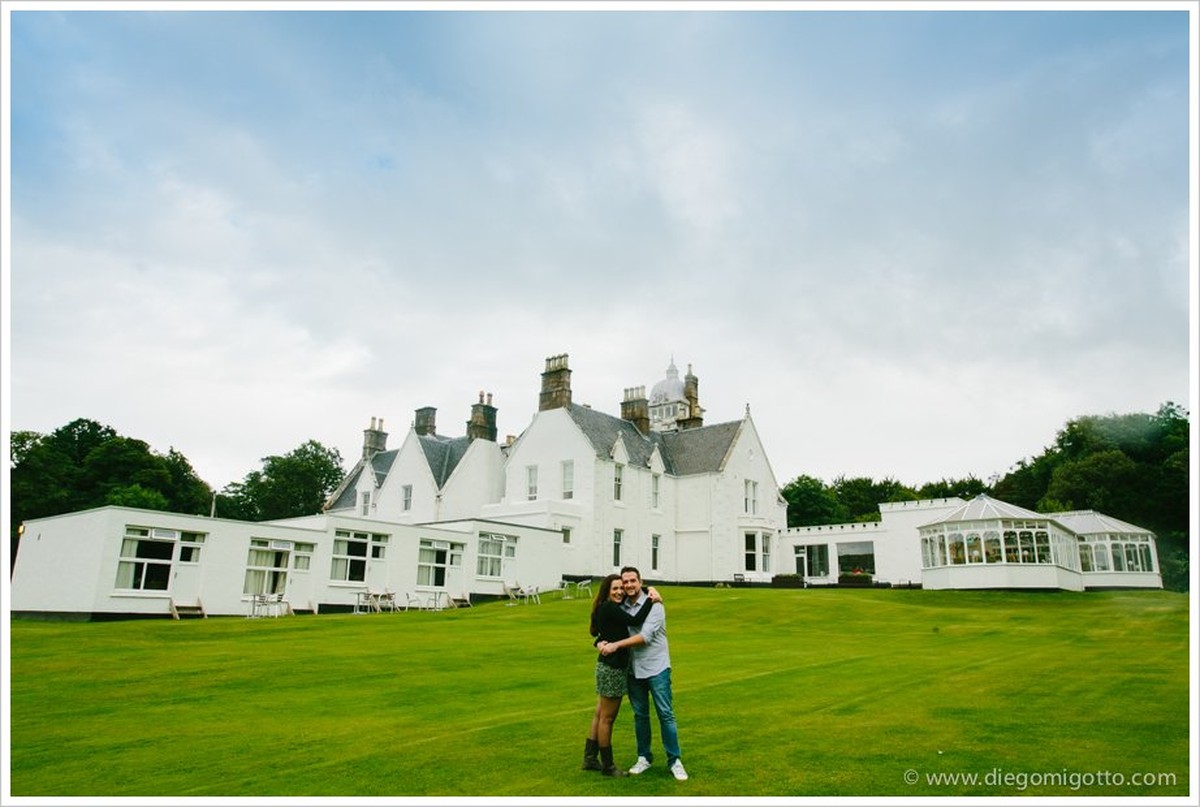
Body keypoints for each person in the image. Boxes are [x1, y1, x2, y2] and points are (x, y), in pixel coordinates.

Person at [599, 566, 688, 781]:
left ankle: (674, 760)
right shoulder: (622, 606)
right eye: (625, 582)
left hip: (657, 667)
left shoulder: (655, 604)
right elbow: (611, 627)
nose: (628, 585)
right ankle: (644, 757)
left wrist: (615, 646)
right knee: (640, 716)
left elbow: (644, 637)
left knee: (665, 714)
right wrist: (600, 642)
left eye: (633, 581)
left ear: (641, 582)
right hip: (634, 669)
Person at [582, 574, 660, 777]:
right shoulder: (610, 607)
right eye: (614, 589)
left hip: (606, 666)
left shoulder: (606, 607)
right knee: (607, 718)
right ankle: (608, 766)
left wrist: (647, 587)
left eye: (621, 589)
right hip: (613, 669)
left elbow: (601, 635)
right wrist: (651, 598)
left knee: (600, 714)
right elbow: (636, 619)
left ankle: (590, 758)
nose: (619, 592)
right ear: (607, 591)